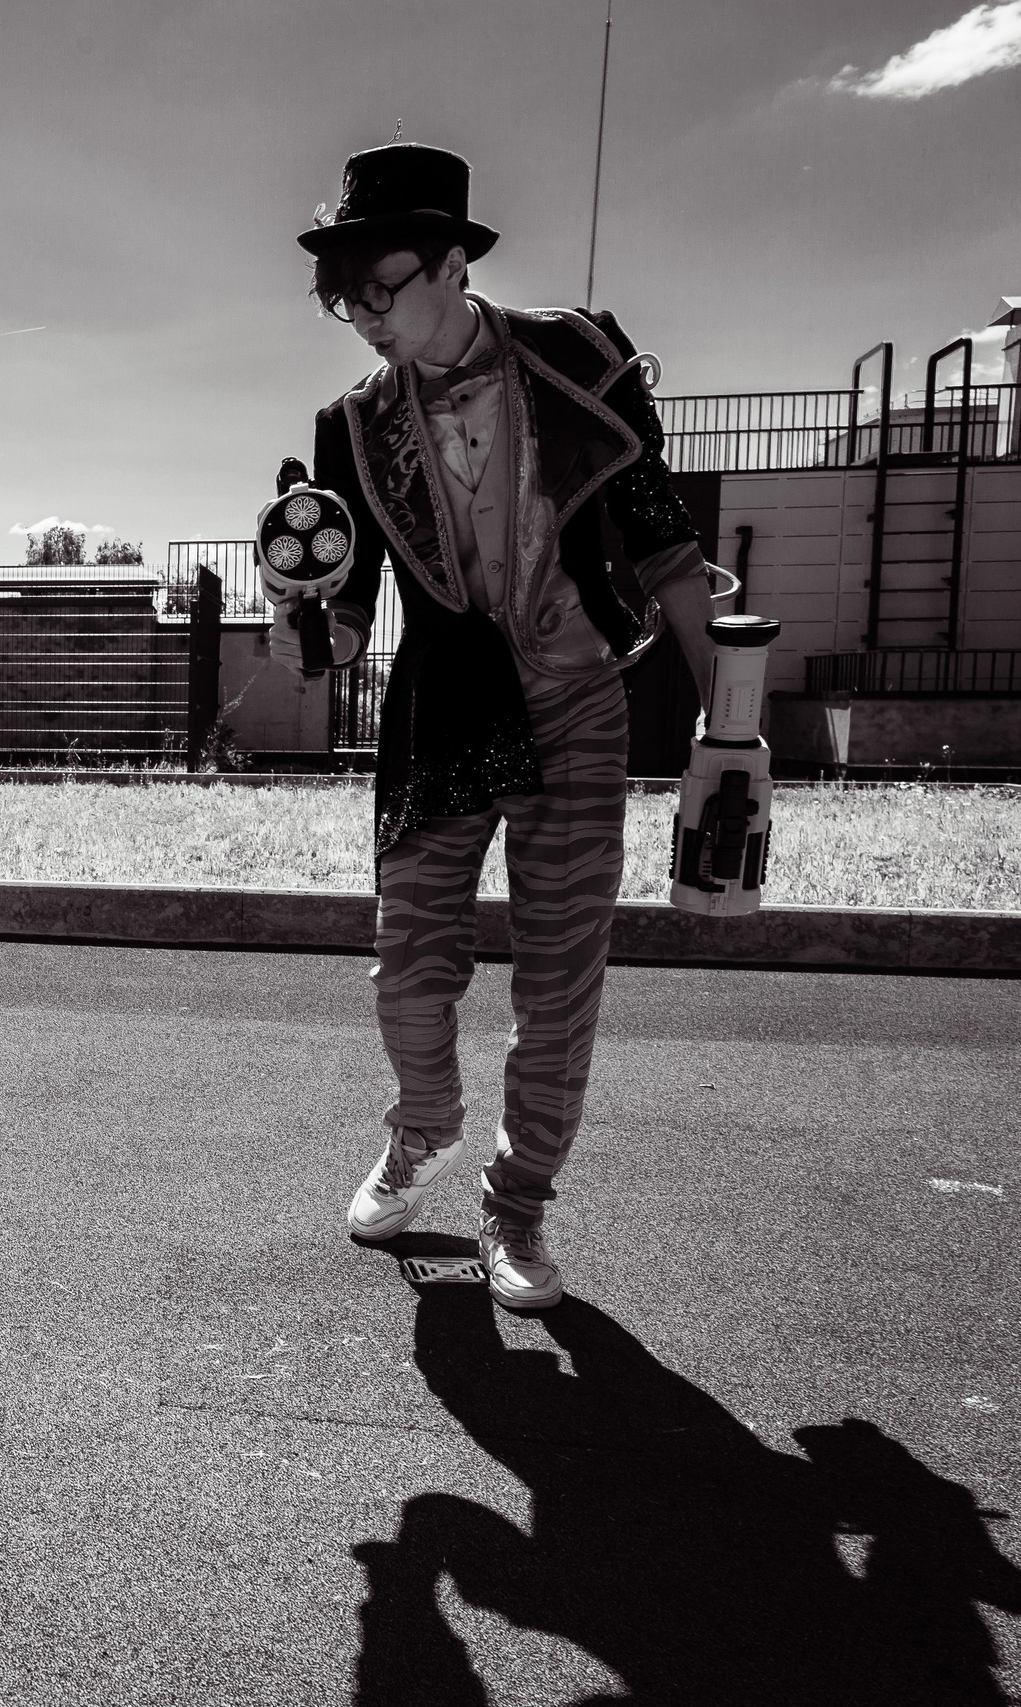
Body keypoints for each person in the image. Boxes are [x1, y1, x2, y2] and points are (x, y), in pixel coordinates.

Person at [295, 143, 724, 1310]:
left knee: (560, 976)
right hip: (442, 707)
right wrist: (310, 603)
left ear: (449, 262)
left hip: (577, 694)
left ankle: (516, 1205)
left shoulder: (574, 356)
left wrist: (730, 725)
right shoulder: (353, 426)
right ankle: (422, 1120)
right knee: (406, 968)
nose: (361, 315)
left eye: (378, 285)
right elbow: (347, 626)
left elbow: (663, 542)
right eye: (342, 297)